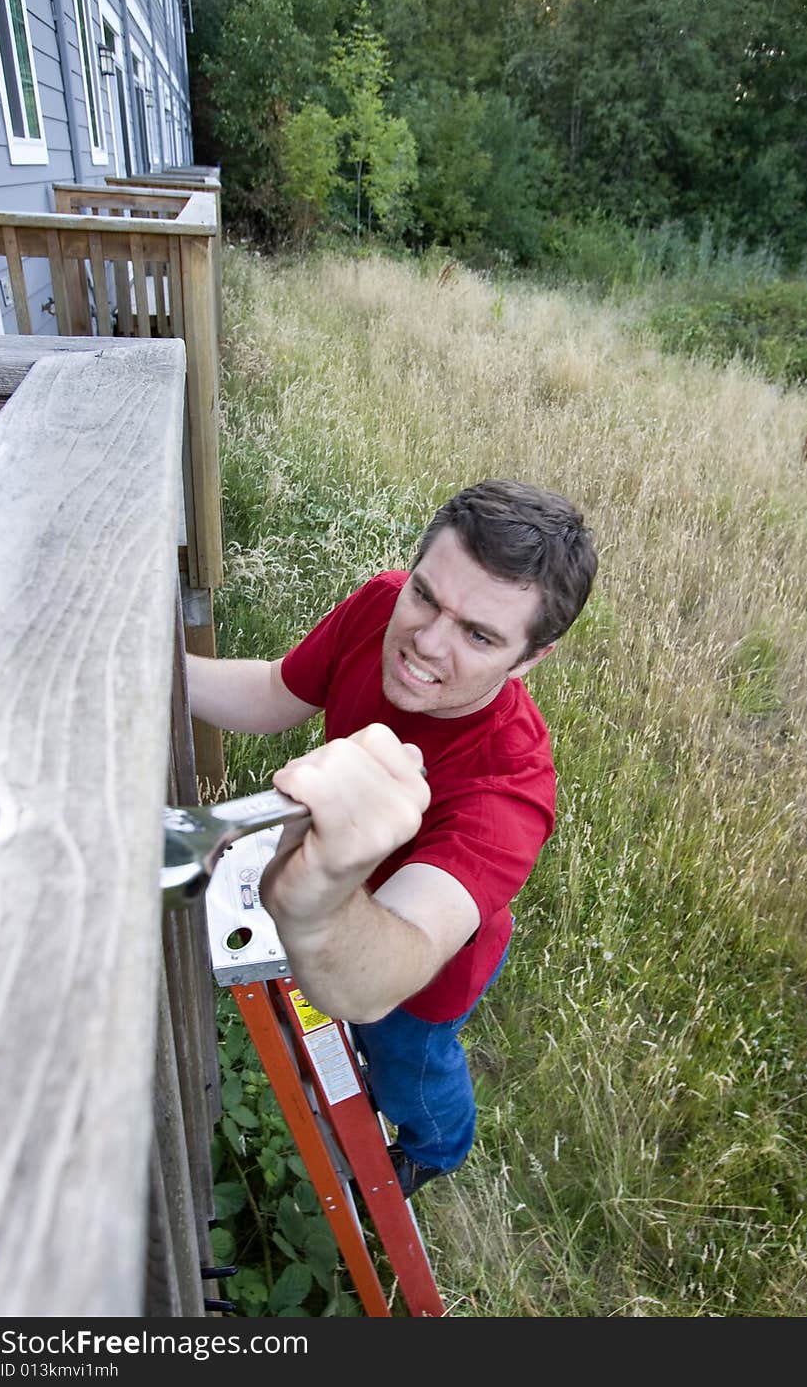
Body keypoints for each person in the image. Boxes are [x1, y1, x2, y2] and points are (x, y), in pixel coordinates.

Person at [187, 479, 597, 1197]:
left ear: (531, 659)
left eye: (479, 635)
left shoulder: (510, 787)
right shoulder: (380, 604)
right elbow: (273, 693)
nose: (426, 644)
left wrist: (314, 901)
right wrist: (162, 674)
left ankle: (434, 1149)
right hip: (351, 927)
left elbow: (378, 980)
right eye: (426, 596)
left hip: (426, 975)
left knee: (411, 1060)